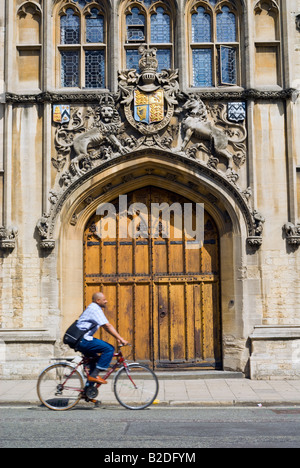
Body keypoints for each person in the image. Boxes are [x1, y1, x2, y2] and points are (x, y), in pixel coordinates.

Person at [76, 292, 128, 385]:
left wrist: (117, 338)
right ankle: (94, 375)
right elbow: (107, 326)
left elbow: (105, 326)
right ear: (98, 300)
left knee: (94, 361)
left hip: (81, 340)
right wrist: (120, 338)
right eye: (104, 300)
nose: (106, 301)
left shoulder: (93, 308)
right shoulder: (95, 309)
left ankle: (88, 393)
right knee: (109, 348)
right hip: (83, 340)